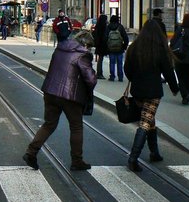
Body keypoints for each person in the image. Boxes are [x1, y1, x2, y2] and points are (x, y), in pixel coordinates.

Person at [23, 29, 97, 171]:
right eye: (90, 46)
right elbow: (91, 79)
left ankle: (31, 152)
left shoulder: (60, 48)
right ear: (86, 44)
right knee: (76, 127)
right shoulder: (83, 55)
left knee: (49, 124)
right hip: (70, 96)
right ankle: (77, 160)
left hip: (50, 91)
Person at [124, 20, 179, 172]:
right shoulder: (160, 49)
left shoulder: (134, 47)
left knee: (149, 119)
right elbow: (168, 71)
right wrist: (175, 88)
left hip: (137, 91)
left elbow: (127, 68)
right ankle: (133, 158)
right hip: (153, 92)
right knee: (145, 122)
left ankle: (155, 152)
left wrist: (134, 79)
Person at [170, 13, 189, 104]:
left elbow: (173, 41)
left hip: (181, 56)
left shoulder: (181, 29)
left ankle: (185, 95)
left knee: (180, 76)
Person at [105, 15, 128, 81]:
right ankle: (120, 77)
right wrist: (124, 46)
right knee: (120, 63)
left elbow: (105, 38)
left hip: (111, 48)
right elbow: (125, 37)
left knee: (112, 62)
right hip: (119, 48)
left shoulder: (108, 27)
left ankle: (112, 76)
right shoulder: (120, 27)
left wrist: (107, 46)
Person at [92, 14, 109, 80]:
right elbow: (104, 37)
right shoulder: (103, 27)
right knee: (100, 59)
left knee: (100, 59)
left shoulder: (97, 26)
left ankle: (99, 73)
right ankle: (99, 73)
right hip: (102, 45)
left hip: (98, 45)